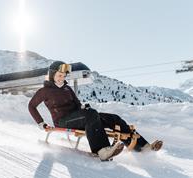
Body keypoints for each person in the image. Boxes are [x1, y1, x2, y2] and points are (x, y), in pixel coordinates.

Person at [28, 61, 163, 161]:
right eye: (59, 75)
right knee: (91, 114)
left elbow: (77, 104)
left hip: (77, 117)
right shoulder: (44, 91)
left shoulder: (67, 88)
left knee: (114, 118)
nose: (62, 78)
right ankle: (102, 150)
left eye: (63, 76)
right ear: (52, 75)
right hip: (62, 121)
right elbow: (31, 106)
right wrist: (41, 123)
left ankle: (143, 148)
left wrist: (82, 108)